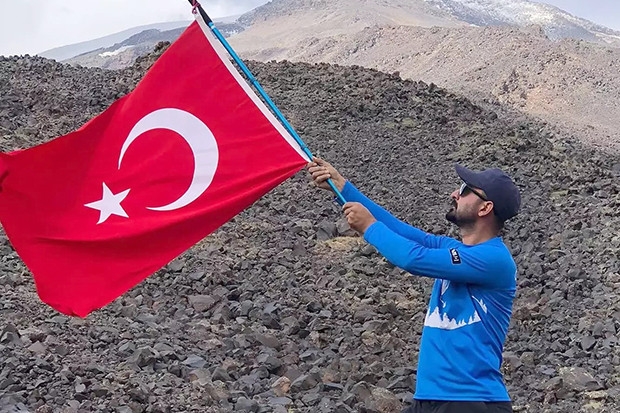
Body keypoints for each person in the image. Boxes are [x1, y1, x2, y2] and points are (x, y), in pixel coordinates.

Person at [307, 157, 521, 413]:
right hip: (430, 398)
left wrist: (369, 227)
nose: (455, 194)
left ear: (485, 208)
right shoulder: (454, 249)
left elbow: (413, 258)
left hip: (472, 401)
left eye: (465, 190)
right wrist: (342, 188)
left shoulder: (494, 259)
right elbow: (401, 231)